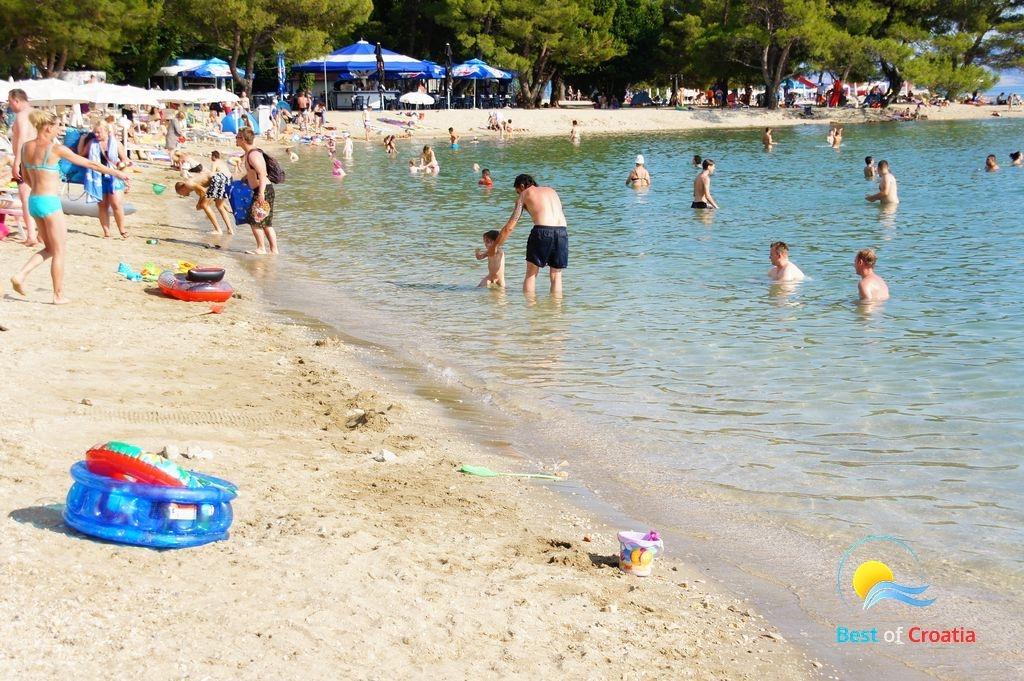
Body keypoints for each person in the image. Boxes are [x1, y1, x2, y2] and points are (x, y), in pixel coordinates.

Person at [10, 111, 129, 304]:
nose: (59, 130)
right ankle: (58, 295)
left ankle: (20, 275)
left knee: (49, 248)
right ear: (48, 127)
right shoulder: (56, 149)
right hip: (49, 202)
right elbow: (90, 163)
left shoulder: (25, 147)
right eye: (57, 126)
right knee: (59, 251)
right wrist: (116, 173)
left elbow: (25, 177)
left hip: (34, 201)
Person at [488, 174, 567, 295]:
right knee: (556, 275)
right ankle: (556, 306)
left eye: (517, 192)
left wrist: (495, 246)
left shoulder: (524, 195)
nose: (518, 194)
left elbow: (509, 227)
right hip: (562, 232)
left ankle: (529, 306)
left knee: (531, 273)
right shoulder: (552, 191)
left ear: (522, 186)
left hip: (542, 232)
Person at [235, 127, 279, 255]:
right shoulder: (250, 153)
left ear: (243, 139)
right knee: (265, 222)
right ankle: (273, 250)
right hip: (262, 189)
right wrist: (245, 178)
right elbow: (254, 172)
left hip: (262, 190)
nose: (235, 139)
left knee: (255, 220)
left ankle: (261, 248)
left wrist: (260, 193)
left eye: (237, 137)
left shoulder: (253, 155)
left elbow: (262, 174)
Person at [7, 89, 40, 246]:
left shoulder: (22, 116)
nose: (9, 105)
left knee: (26, 197)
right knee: (39, 195)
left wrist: (16, 162)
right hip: (38, 158)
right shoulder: (37, 113)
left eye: (10, 101)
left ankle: (31, 235)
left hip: (25, 159)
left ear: (16, 100)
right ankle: (41, 233)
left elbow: (22, 139)